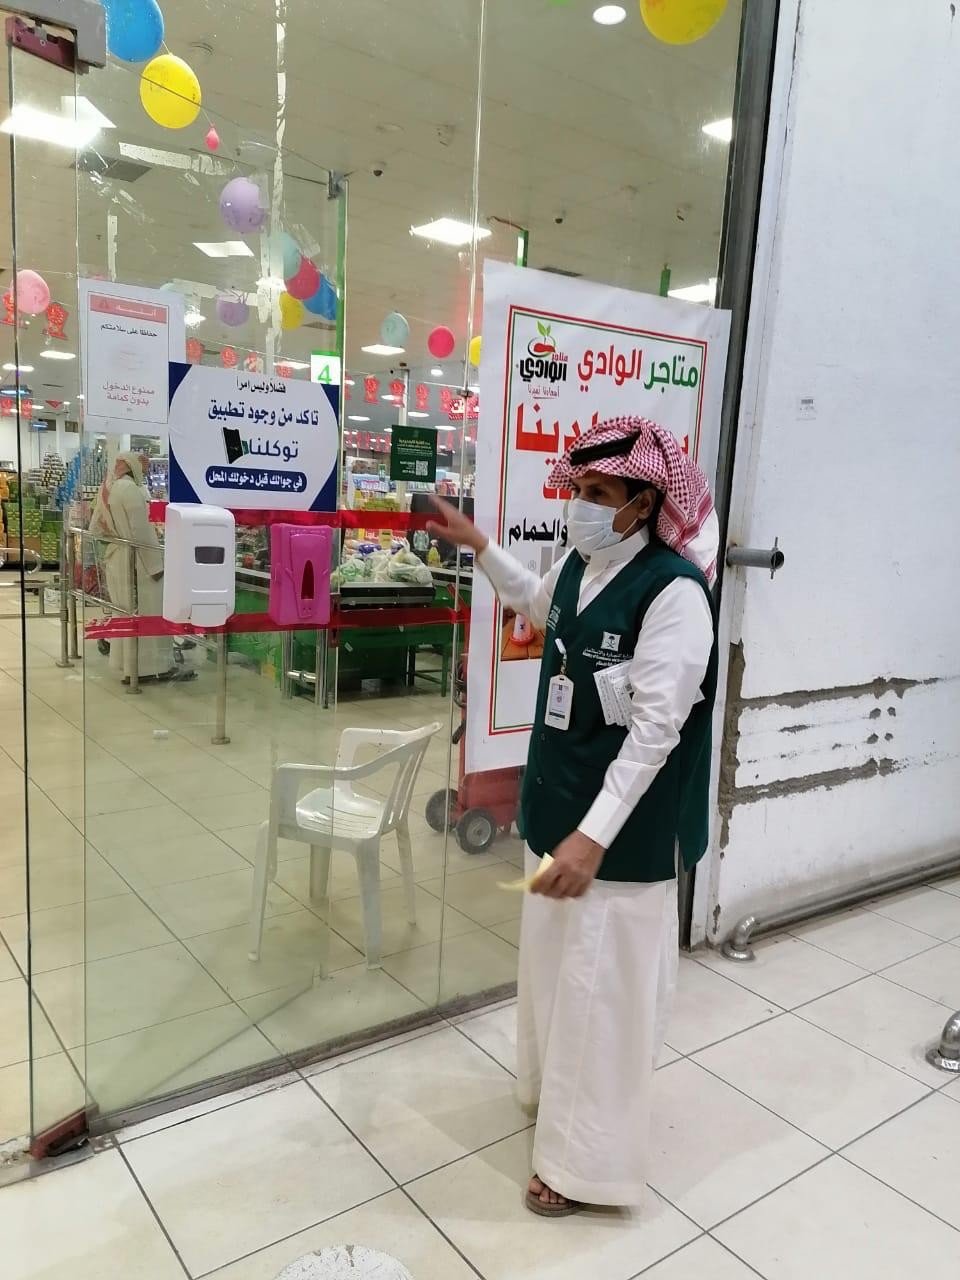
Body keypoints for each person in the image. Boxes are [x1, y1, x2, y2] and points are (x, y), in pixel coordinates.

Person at [429, 415, 719, 1217]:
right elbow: (535, 598)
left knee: (603, 1001)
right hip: (557, 815)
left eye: (599, 492)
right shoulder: (582, 566)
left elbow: (657, 729)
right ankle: (549, 1103)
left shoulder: (673, 594)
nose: (581, 504)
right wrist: (480, 546)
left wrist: (594, 838)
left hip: (619, 840)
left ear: (643, 504)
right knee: (555, 978)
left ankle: (585, 1165)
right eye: (578, 488)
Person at [89, 451, 193, 684]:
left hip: (117, 558)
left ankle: (126, 666)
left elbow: (95, 528)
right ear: (132, 465)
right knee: (148, 612)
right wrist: (156, 565)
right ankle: (150, 668)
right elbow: (141, 532)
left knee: (123, 613)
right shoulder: (130, 490)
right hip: (138, 563)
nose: (145, 471)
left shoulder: (108, 488)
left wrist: (116, 536)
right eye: (142, 466)